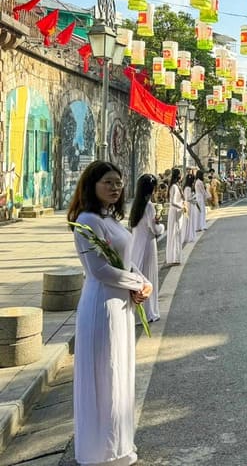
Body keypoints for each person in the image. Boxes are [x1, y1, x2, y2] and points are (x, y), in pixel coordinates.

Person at [67, 161, 152, 466]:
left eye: (118, 182)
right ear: (91, 185)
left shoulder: (111, 219)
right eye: (108, 182)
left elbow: (125, 261)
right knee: (106, 374)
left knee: (120, 372)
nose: (115, 187)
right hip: (102, 306)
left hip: (122, 306)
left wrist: (143, 282)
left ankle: (120, 445)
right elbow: (99, 269)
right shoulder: (87, 221)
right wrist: (137, 283)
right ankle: (100, 451)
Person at [129, 173, 165, 323]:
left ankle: (136, 312)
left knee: (138, 278)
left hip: (135, 244)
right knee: (149, 277)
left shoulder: (135, 205)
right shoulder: (149, 206)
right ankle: (150, 312)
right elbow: (155, 229)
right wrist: (161, 225)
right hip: (148, 245)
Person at [166, 168, 183, 265]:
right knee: (174, 233)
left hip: (179, 211)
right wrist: (182, 206)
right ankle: (173, 257)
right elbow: (172, 202)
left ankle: (176, 257)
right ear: (178, 175)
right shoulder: (173, 187)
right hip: (175, 211)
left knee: (178, 234)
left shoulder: (177, 186)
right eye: (181, 174)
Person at [182, 172, 198, 244]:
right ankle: (188, 236)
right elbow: (188, 198)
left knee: (190, 220)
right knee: (189, 220)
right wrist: (194, 199)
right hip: (189, 205)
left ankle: (190, 235)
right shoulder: (188, 188)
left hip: (190, 205)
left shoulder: (187, 188)